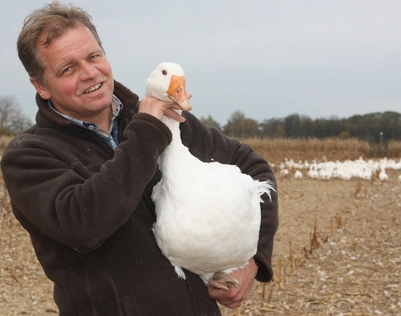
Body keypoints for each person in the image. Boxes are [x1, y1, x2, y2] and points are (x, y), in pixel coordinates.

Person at [1, 2, 278, 315]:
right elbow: (84, 225)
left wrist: (251, 259)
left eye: (94, 57)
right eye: (68, 68)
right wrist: (147, 132)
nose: (90, 73)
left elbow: (256, 173)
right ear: (41, 85)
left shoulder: (171, 122)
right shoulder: (30, 156)